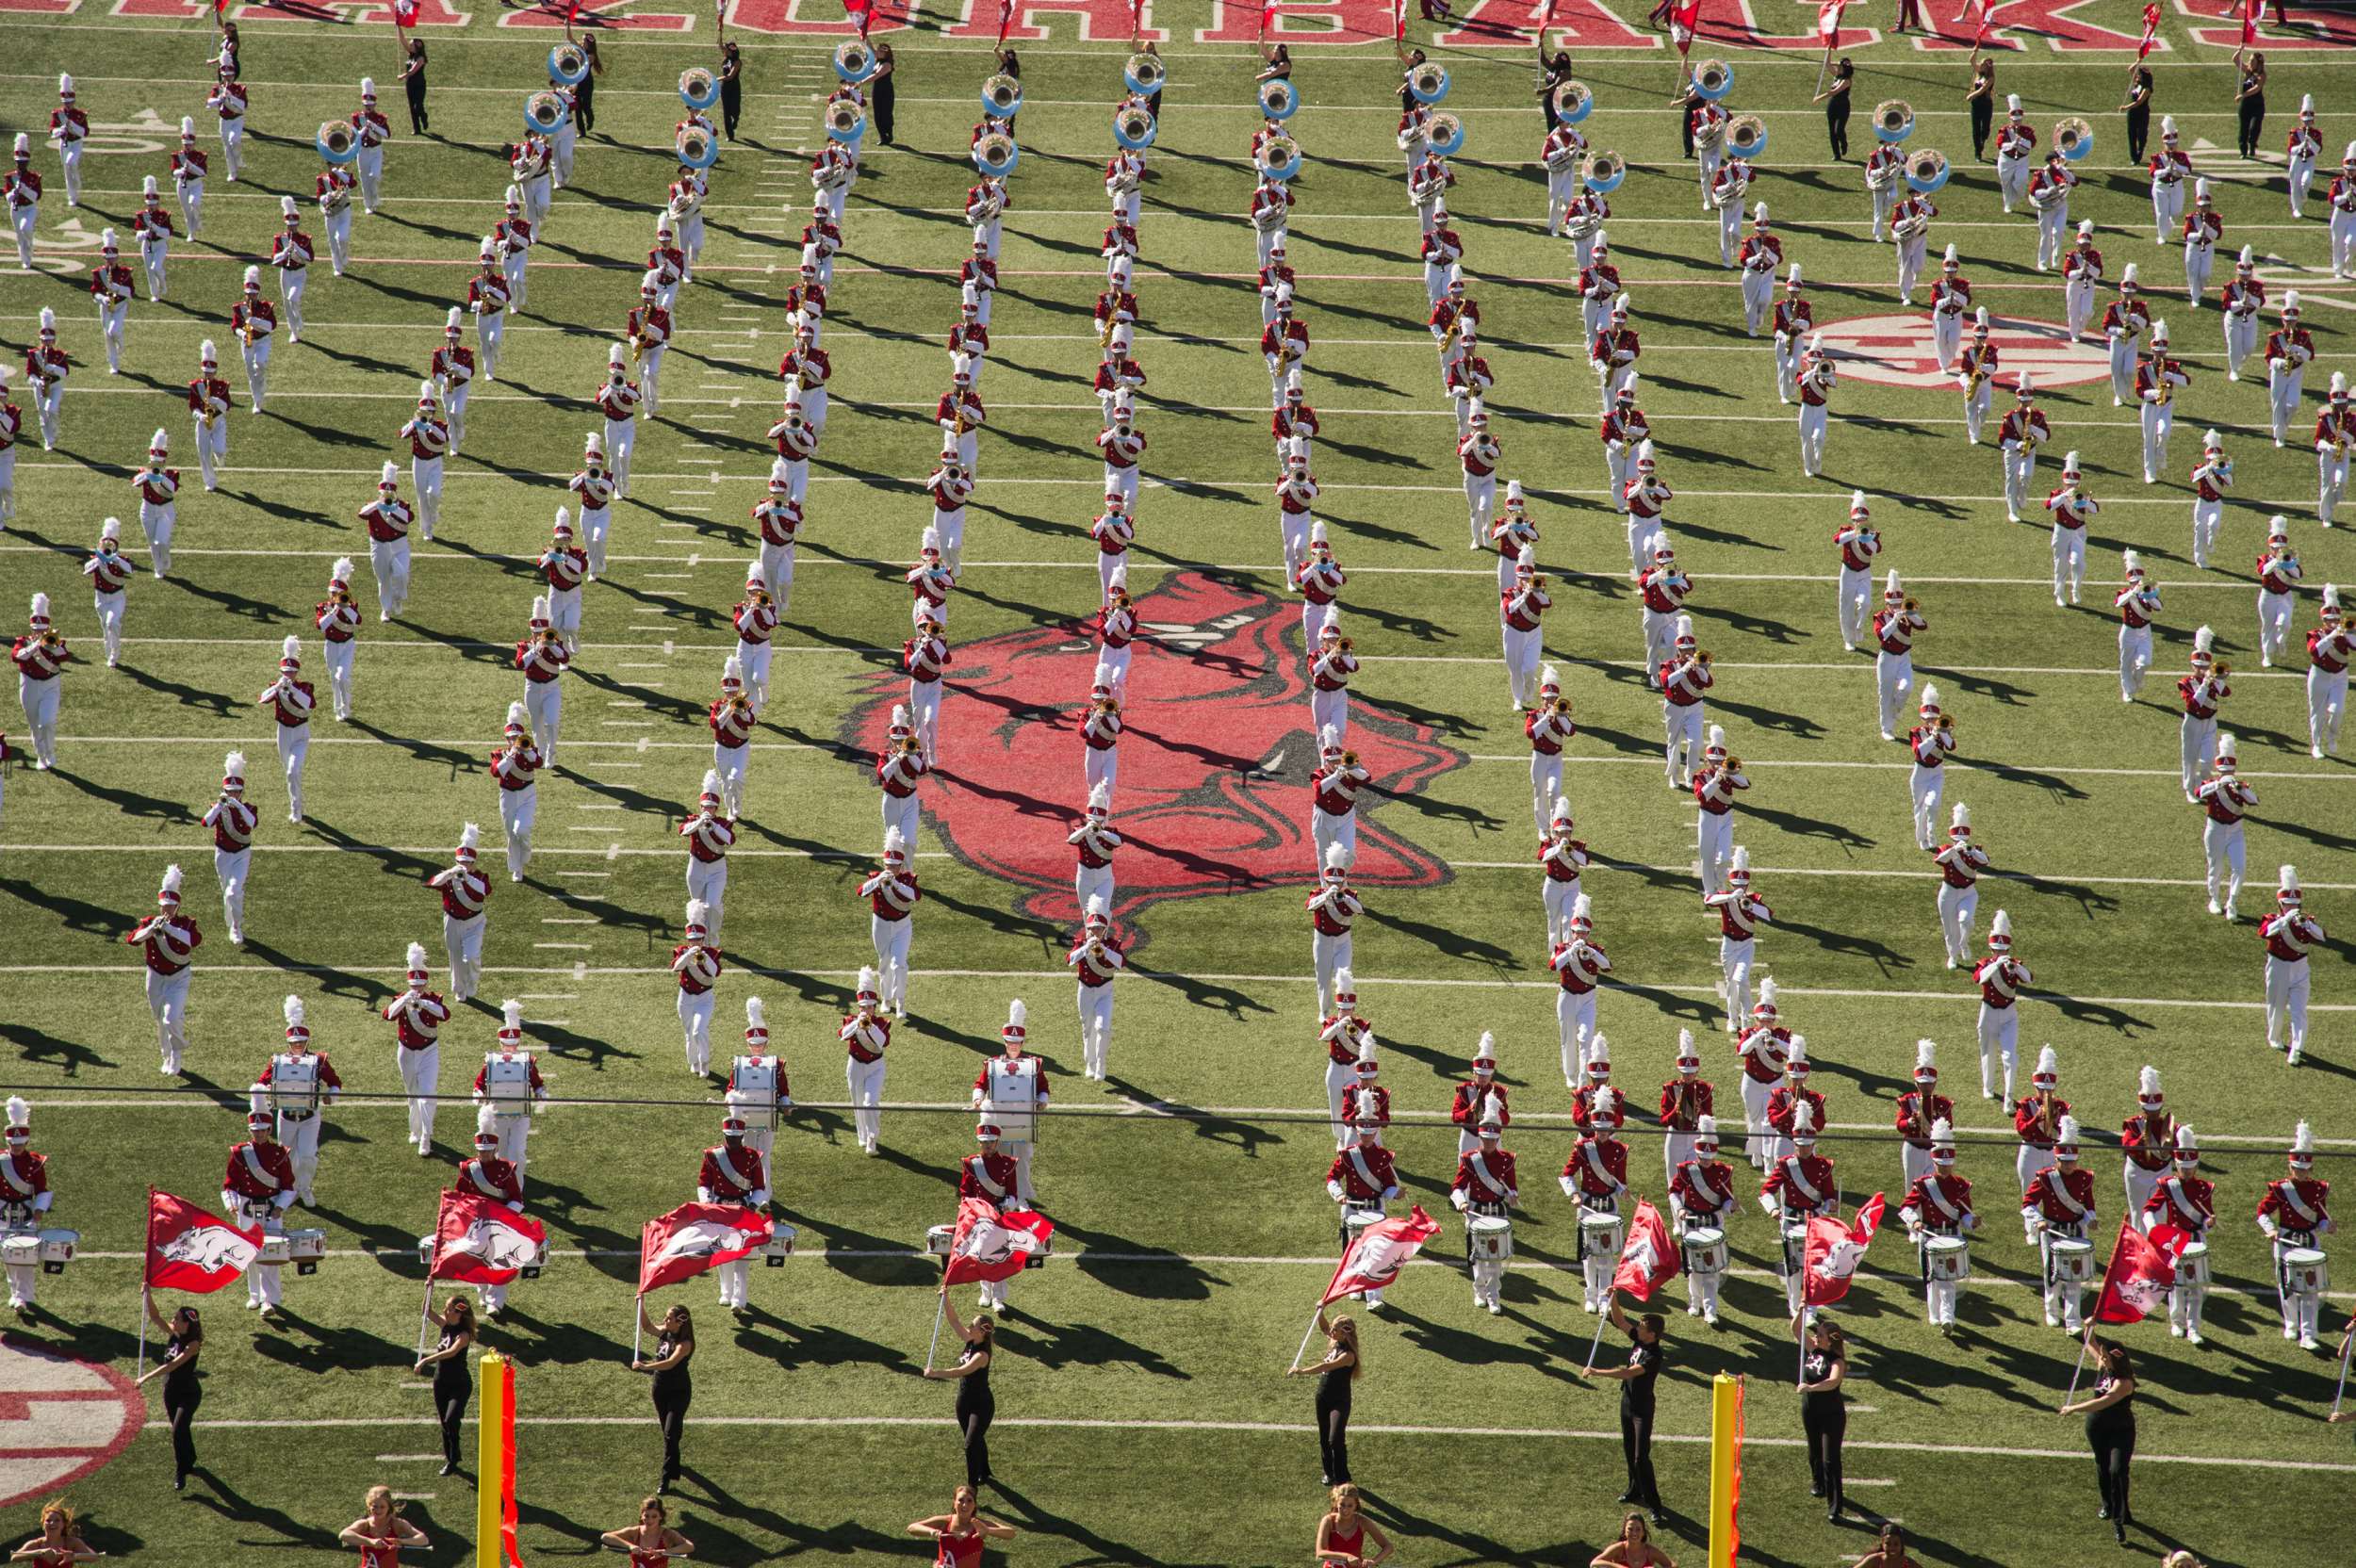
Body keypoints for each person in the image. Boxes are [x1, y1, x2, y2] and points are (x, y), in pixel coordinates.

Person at [1577, 1297, 1665, 1523]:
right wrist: (1613, 1297)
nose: (1637, 1328)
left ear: (1652, 1335)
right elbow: (1619, 1320)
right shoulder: (1640, 1340)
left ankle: (1655, 1505)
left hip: (1642, 1409)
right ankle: (1634, 1488)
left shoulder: (1654, 1356)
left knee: (1641, 1457)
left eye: (1643, 1328)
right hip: (1627, 1402)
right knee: (1628, 1449)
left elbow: (1627, 1373)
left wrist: (1595, 1372)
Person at [2059, 1339, 2136, 1545]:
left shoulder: (2125, 1382)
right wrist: (2088, 1327)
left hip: (2121, 1430)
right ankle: (2109, 1505)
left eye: (2106, 1356)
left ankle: (2119, 1521)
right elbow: (2090, 1344)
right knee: (2102, 1466)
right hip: (2097, 1427)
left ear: (2116, 1360)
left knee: (2117, 1470)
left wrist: (2073, 1408)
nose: (2101, 1358)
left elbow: (2104, 1401)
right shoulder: (2104, 1366)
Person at [925, 1284, 996, 1488]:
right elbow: (953, 1321)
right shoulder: (970, 1340)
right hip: (963, 1401)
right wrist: (945, 1298)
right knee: (974, 1438)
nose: (969, 1327)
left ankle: (972, 1487)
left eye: (973, 1325)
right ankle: (985, 1471)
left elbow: (961, 1371)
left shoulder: (981, 1355)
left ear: (982, 1332)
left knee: (970, 1444)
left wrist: (935, 1373)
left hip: (981, 1404)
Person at [1288, 1308, 1359, 1485]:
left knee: (1335, 1438)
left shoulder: (1348, 1356)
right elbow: (1324, 1328)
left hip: (1339, 1401)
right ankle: (1328, 1473)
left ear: (1345, 1334)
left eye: (1335, 1329)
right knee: (1324, 1437)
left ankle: (1343, 1476)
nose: (1331, 1332)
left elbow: (1325, 1367)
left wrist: (1301, 1371)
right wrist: (1320, 1310)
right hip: (1322, 1396)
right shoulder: (1335, 1341)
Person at [137, 1298, 202, 1489]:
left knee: (177, 1430)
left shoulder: (193, 1344)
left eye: (177, 1318)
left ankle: (181, 1470)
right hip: (171, 1391)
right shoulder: (175, 1333)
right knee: (180, 1428)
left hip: (188, 1393)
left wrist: (144, 1378)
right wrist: (148, 1294)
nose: (173, 1320)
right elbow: (155, 1317)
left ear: (187, 1324)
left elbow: (172, 1366)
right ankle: (190, 1459)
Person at [631, 1301, 694, 1494]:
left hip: (679, 1391)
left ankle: (666, 1478)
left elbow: (669, 1363)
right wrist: (640, 1305)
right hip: (660, 1388)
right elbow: (647, 1327)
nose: (665, 1320)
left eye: (669, 1318)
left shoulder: (685, 1344)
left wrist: (644, 1367)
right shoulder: (665, 1332)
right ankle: (674, 1461)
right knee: (670, 1434)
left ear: (680, 1322)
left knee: (670, 1433)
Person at [414, 1294, 474, 1476]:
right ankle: (451, 1459)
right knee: (444, 1423)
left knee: (451, 1420)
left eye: (449, 1308)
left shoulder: (464, 1335)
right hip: (440, 1382)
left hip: (459, 1384)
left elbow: (451, 1353)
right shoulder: (445, 1325)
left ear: (459, 1313)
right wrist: (427, 1289)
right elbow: (427, 1311)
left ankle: (454, 1456)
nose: (445, 1311)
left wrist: (425, 1361)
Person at [1799, 1316, 1849, 1521]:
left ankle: (1835, 1507)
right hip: (1810, 1409)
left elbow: (1833, 1381)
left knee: (1831, 1460)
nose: (1815, 1337)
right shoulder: (1814, 1350)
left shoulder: (1837, 1361)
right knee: (1814, 1452)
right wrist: (1800, 1310)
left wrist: (1810, 1388)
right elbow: (1795, 1330)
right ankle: (1818, 1484)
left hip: (1832, 1415)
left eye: (1820, 1335)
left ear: (1831, 1340)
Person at [908, 1485, 1014, 1567]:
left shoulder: (979, 1524)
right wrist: (933, 1532)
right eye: (960, 1500)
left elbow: (1011, 1533)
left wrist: (988, 1530)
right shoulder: (945, 1522)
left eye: (969, 1501)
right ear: (954, 1503)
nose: (965, 1505)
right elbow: (912, 1527)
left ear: (975, 1505)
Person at [338, 1486, 428, 1566]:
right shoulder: (365, 1524)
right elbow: (343, 1535)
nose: (378, 1510)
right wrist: (370, 1542)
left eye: (382, 1507)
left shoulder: (397, 1524)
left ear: (389, 1507)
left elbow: (423, 1539)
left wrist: (402, 1541)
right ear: (369, 1506)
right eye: (375, 1506)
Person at [1317, 1484, 1392, 1568]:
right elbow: (1320, 1553)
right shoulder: (1328, 1521)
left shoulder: (1363, 1522)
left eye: (1350, 1505)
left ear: (1356, 1505)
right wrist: (1347, 1556)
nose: (1345, 1510)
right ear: (1336, 1503)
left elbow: (1388, 1546)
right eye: (1342, 1505)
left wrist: (1373, 1562)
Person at [602, 1498, 692, 1566]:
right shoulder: (635, 1532)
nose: (650, 1520)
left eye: (654, 1516)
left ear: (661, 1516)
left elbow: (689, 1547)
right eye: (646, 1516)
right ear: (641, 1515)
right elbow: (605, 1537)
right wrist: (630, 1546)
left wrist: (665, 1551)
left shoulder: (667, 1534)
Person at [12, 1500, 102, 1564]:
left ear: (64, 1524)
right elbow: (14, 1557)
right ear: (43, 1524)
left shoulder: (72, 1542)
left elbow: (95, 1557)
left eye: (57, 1520)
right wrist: (40, 1552)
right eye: (48, 1520)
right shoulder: (35, 1544)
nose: (52, 1523)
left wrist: (74, 1556)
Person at [1590, 1511, 1673, 1567]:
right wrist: (1619, 1567)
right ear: (1624, 1531)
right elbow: (1594, 1563)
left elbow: (1672, 1565)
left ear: (1643, 1532)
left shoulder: (1650, 1552)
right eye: (1630, 1529)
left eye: (1638, 1529)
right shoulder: (1619, 1549)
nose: (1634, 1533)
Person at [1816, 58, 1854, 161]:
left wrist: (1818, 98)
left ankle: (1844, 143)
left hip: (1843, 106)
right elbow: (1827, 64)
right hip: (1832, 105)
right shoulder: (1837, 76)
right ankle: (1836, 154)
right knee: (1832, 131)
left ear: (1845, 69)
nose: (1837, 67)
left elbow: (1834, 92)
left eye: (1840, 67)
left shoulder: (1846, 81)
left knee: (1839, 130)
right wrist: (1829, 49)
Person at [2235, 50, 2266, 161]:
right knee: (2243, 130)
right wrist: (2240, 49)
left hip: (2257, 105)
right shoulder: (2248, 71)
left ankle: (2252, 144)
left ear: (2258, 62)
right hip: (2245, 106)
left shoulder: (2262, 75)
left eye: (2252, 60)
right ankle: (2243, 151)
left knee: (2254, 128)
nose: (2249, 62)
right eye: (2249, 60)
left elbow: (2256, 88)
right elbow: (2235, 60)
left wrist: (2242, 95)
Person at [1848, 1525, 1923, 1568]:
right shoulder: (1875, 1560)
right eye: (1888, 1544)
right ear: (1882, 1543)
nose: (1892, 1548)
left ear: (1901, 1545)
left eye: (1896, 1544)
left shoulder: (1910, 1564)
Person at [1966, 52, 1996, 162]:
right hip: (1976, 104)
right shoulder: (1979, 72)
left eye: (1983, 64)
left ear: (1988, 67)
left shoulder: (1991, 77)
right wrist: (1976, 48)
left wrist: (1972, 95)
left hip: (1986, 104)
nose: (1980, 65)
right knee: (1976, 129)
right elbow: (1971, 60)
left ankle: (1982, 142)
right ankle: (1977, 152)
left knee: (1985, 129)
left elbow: (1982, 89)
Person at [2121, 65, 2154, 166]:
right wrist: (2138, 61)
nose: (2138, 75)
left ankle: (2140, 152)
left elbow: (2139, 102)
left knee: (2141, 135)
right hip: (2132, 113)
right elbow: (2130, 69)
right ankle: (2134, 158)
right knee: (2131, 135)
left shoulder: (2147, 89)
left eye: (2140, 74)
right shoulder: (2137, 82)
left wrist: (2125, 107)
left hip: (2142, 113)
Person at [717, 38, 744, 142]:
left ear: (731, 51)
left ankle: (736, 118)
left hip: (734, 88)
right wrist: (720, 30)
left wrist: (716, 79)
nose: (724, 49)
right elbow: (719, 45)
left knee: (735, 110)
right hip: (725, 88)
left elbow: (730, 76)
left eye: (726, 48)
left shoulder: (737, 62)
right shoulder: (726, 57)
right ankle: (730, 135)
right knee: (726, 112)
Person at [401, 38, 428, 137]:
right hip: (410, 84)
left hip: (419, 85)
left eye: (412, 45)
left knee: (418, 106)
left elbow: (413, 70)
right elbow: (402, 41)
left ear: (417, 47)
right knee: (412, 107)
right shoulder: (411, 55)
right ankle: (417, 129)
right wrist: (398, 27)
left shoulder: (421, 58)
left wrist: (402, 76)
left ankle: (424, 117)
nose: (409, 45)